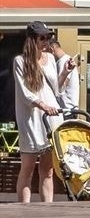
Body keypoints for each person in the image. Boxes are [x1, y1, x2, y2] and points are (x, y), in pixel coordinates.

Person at [12, 21, 62, 203]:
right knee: (28, 166)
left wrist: (65, 72)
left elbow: (56, 90)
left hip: (51, 117)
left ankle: (46, 211)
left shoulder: (50, 59)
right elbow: (25, 92)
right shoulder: (20, 61)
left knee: (48, 170)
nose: (46, 41)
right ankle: (24, 210)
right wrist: (42, 105)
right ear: (32, 39)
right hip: (31, 117)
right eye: (42, 37)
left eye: (49, 37)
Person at [48, 37, 81, 112]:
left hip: (67, 109)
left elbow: (62, 84)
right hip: (68, 108)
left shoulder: (64, 61)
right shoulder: (63, 60)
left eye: (47, 52)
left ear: (51, 49)